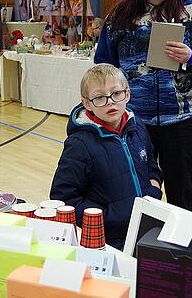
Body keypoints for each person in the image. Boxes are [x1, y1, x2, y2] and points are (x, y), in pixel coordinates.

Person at [95, 0, 192, 212]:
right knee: (139, 194)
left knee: (182, 198)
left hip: (185, 122)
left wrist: (191, 56)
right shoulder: (119, 18)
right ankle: (142, 238)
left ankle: (180, 239)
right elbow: (104, 68)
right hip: (135, 121)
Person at [50, 63, 162, 250]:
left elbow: (151, 165)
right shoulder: (79, 145)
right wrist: (109, 217)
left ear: (127, 94)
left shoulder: (138, 127)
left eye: (116, 93)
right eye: (99, 97)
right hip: (108, 240)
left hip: (143, 229)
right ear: (87, 103)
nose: (110, 101)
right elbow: (63, 198)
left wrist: (154, 190)